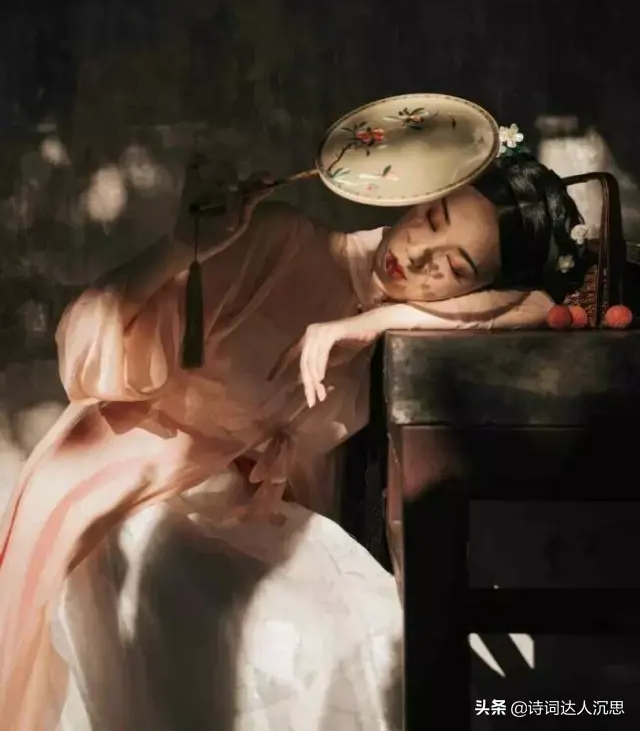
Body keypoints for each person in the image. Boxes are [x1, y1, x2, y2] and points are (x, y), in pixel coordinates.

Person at [0, 143, 587, 731]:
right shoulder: (286, 242)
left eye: (454, 270)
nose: (418, 256)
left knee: (372, 636)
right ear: (418, 198)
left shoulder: (377, 330)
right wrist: (180, 248)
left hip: (231, 505)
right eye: (431, 220)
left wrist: (370, 322)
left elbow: (535, 304)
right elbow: (84, 352)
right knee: (274, 647)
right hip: (126, 484)